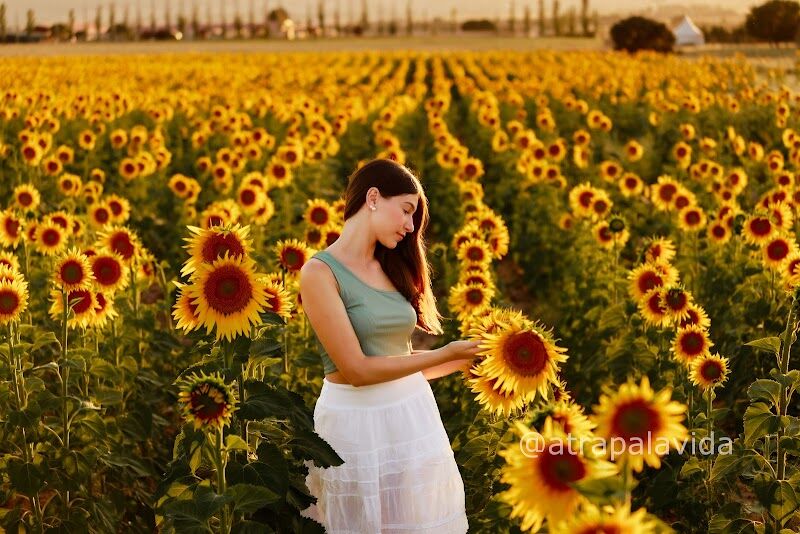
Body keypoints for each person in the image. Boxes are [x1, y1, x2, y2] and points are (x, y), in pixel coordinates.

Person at [298, 158, 482, 533]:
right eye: (407, 210)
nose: (410, 226)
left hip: (411, 418)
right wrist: (445, 352)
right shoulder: (320, 273)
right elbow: (358, 370)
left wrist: (464, 358)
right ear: (373, 197)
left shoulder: (388, 267)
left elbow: (402, 365)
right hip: (353, 425)